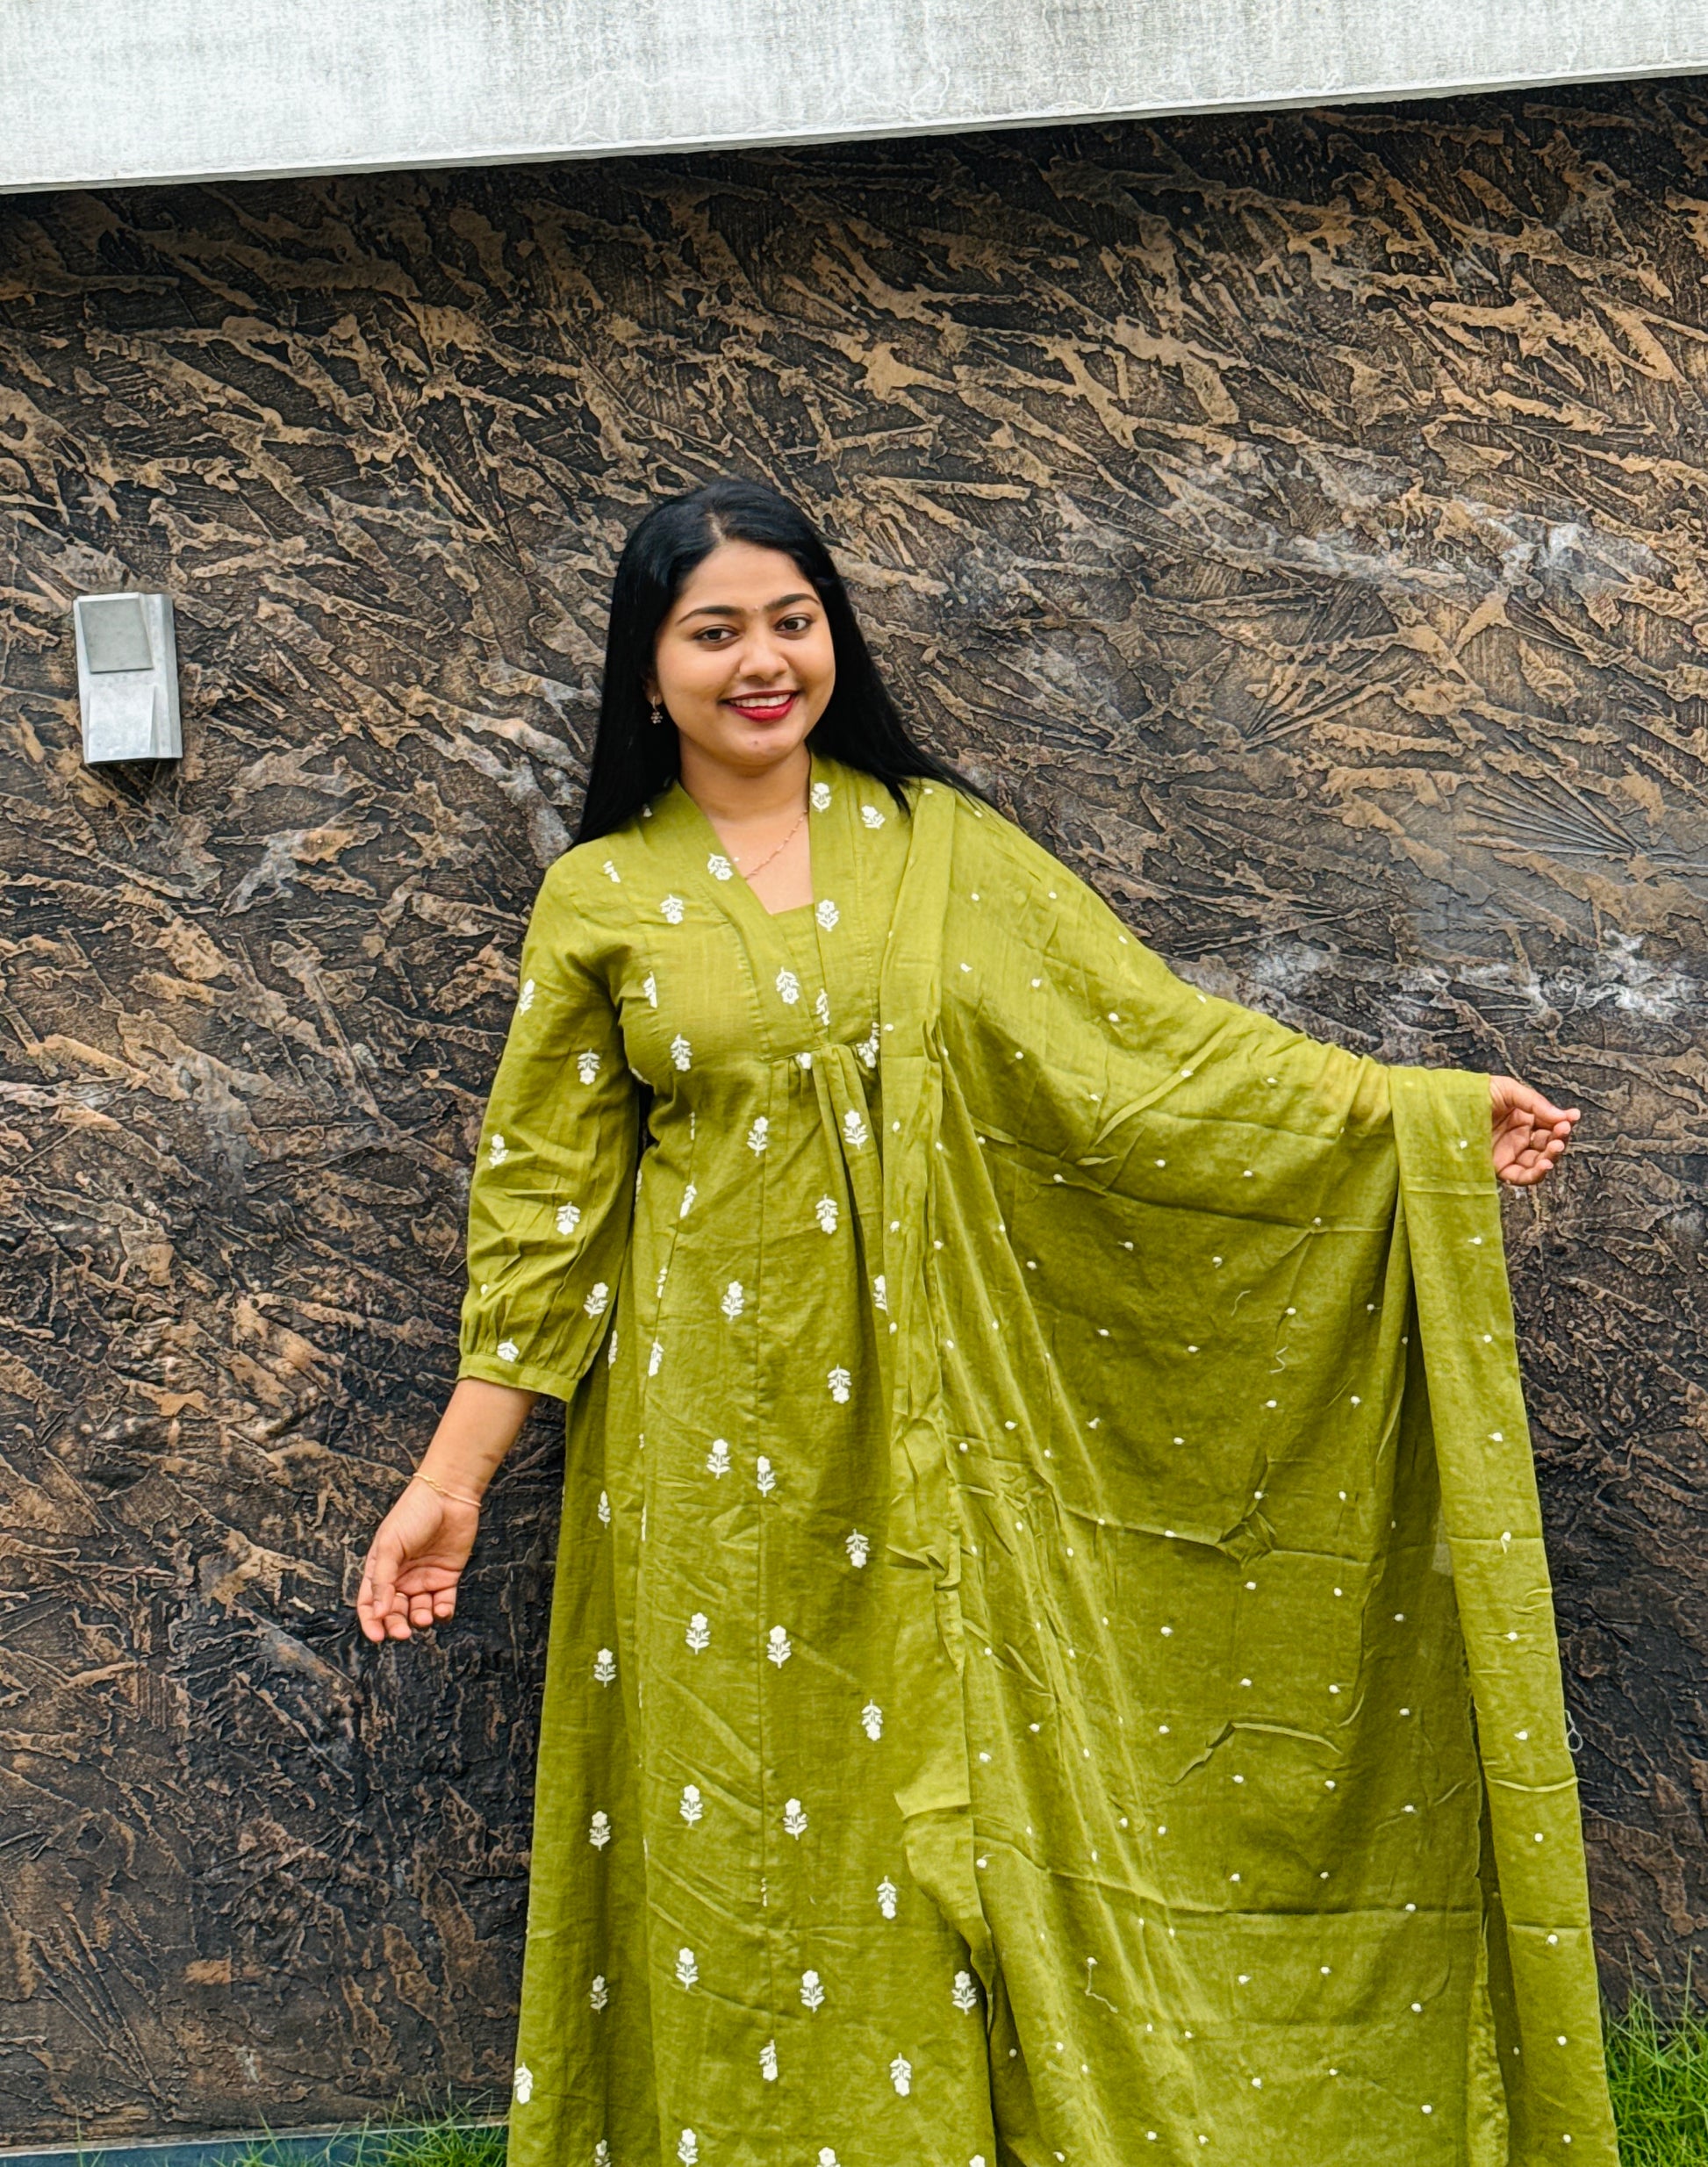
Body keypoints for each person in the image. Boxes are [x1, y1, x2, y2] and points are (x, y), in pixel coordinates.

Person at [355, 477, 1616, 2166]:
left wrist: (1406, 1117)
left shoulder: (941, 849)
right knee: (756, 1827)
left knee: (967, 1792)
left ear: (833, 636)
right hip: (714, 1451)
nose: (761, 661)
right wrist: (453, 1478)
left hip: (960, 1427)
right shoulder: (600, 897)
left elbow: (1152, 1048)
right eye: (714, 630)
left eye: (791, 620)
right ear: (646, 668)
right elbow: (545, 1218)